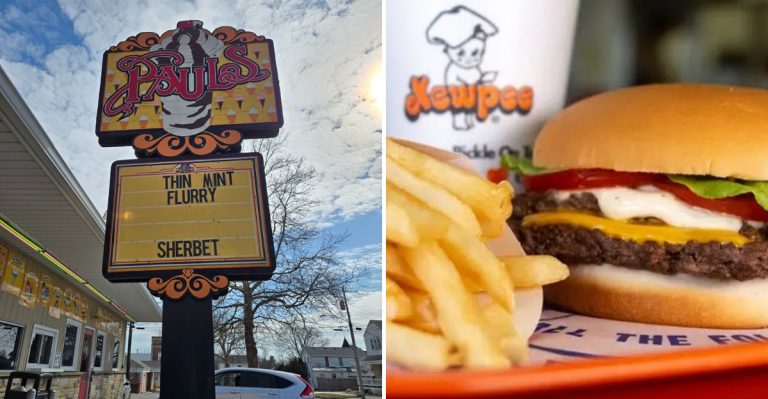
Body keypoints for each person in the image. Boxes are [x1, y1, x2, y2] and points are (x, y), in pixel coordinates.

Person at [426, 6, 498, 130]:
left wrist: (483, 79)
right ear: (448, 52)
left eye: (476, 53)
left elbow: (476, 80)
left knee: (469, 112)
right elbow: (459, 84)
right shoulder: (453, 71)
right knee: (460, 112)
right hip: (459, 99)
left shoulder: (474, 69)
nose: (468, 59)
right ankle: (460, 123)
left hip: (472, 99)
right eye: (460, 54)